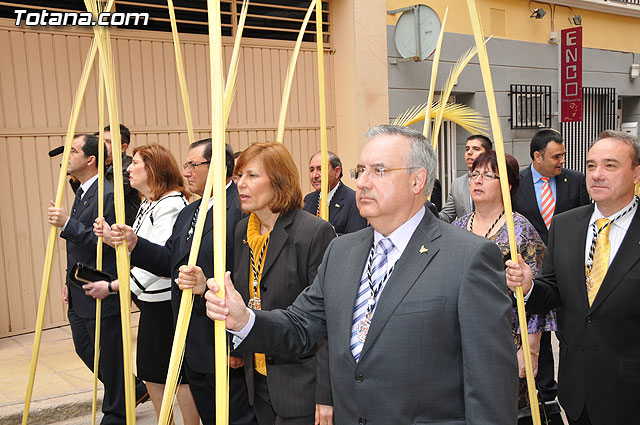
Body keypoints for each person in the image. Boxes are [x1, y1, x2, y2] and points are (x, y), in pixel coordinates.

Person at [204, 125, 518, 424]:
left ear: (417, 181)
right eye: (361, 171)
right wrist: (244, 319)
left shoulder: (468, 258)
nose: (363, 182)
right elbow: (301, 326)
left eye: (378, 171)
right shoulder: (342, 252)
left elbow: (490, 384)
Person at [181, 142, 336, 425]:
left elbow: (327, 321)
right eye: (239, 176)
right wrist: (207, 287)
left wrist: (326, 394)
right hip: (259, 380)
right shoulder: (243, 229)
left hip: (302, 384)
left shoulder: (313, 233)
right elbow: (246, 294)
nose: (241, 184)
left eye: (252, 176)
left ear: (279, 181)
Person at [109, 139, 255, 425]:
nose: (186, 171)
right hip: (191, 340)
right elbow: (169, 262)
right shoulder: (190, 211)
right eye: (186, 165)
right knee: (211, 416)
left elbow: (247, 277)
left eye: (193, 165)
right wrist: (135, 243)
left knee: (237, 417)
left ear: (217, 167)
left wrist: (237, 344)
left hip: (223, 338)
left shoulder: (238, 210)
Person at [506, 130, 640, 425]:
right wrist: (529, 286)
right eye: (591, 165)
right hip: (577, 392)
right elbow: (554, 290)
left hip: (631, 392)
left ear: (636, 173)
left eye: (610, 165)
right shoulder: (565, 225)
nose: (597, 174)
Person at [88, 144, 199, 424]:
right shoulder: (148, 202)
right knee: (151, 373)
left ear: (153, 169)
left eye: (135, 163)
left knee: (178, 376)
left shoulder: (171, 204)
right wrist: (111, 239)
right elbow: (139, 248)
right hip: (150, 305)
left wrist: (118, 287)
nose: (128, 168)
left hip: (165, 306)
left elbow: (162, 259)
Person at [47, 134, 147, 424]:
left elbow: (110, 242)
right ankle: (133, 388)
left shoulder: (107, 194)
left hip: (102, 286)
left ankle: (117, 411)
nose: (67, 157)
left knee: (110, 353)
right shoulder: (82, 191)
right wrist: (69, 280)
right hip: (80, 287)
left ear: (91, 160)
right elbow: (78, 246)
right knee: (85, 348)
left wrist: (67, 224)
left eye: (74, 152)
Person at [452, 151, 556, 409]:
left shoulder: (520, 230)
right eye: (474, 175)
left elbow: (540, 295)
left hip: (506, 341)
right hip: (460, 338)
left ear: (507, 185)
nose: (477, 181)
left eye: (488, 176)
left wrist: (530, 349)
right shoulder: (456, 227)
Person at [511, 129, 590, 402]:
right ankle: (544, 392)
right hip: (532, 276)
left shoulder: (576, 181)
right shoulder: (516, 183)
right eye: (556, 156)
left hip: (567, 275)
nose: (561, 161)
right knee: (538, 337)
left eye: (563, 156)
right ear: (537, 156)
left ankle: (572, 388)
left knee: (571, 332)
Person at [303, 151, 367, 235]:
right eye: (311, 170)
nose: (315, 175)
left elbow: (357, 239)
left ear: (337, 172)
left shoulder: (354, 201)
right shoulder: (308, 200)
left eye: (320, 169)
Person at [439, 134, 493, 223]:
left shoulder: (497, 181)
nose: (469, 152)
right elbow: (447, 216)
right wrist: (429, 211)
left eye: (476, 149)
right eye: (467, 149)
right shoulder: (457, 184)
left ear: (488, 153)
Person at [99, 124, 141, 226]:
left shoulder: (129, 167)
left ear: (123, 147)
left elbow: (110, 194)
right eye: (101, 141)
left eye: (108, 142)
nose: (102, 145)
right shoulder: (101, 166)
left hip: (124, 231)